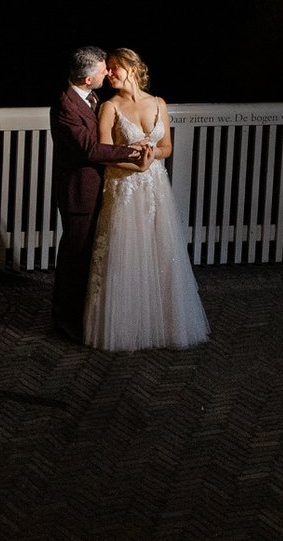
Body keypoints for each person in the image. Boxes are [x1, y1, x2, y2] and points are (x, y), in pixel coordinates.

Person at [83, 47, 211, 351]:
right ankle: (125, 329)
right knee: (126, 253)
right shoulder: (109, 107)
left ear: (132, 69)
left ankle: (164, 324)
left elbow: (165, 146)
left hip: (154, 188)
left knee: (159, 252)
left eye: (115, 68)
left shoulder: (158, 104)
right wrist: (137, 163)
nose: (110, 74)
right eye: (108, 69)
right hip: (124, 186)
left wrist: (151, 157)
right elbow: (104, 154)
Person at [50, 46, 149, 341]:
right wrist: (131, 152)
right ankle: (66, 323)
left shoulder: (91, 98)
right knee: (75, 259)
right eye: (102, 69)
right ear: (88, 79)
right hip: (79, 193)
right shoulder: (66, 106)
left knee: (88, 258)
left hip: (97, 189)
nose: (107, 72)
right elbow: (90, 149)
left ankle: (84, 316)